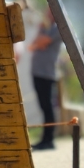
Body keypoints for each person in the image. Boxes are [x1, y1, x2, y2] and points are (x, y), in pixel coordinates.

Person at [26, 11, 64, 150]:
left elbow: (42, 42)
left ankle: (49, 139)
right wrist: (40, 34)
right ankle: (45, 139)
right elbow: (33, 45)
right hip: (37, 72)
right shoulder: (45, 28)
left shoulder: (58, 28)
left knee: (48, 107)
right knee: (43, 107)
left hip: (47, 73)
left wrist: (39, 41)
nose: (48, 13)